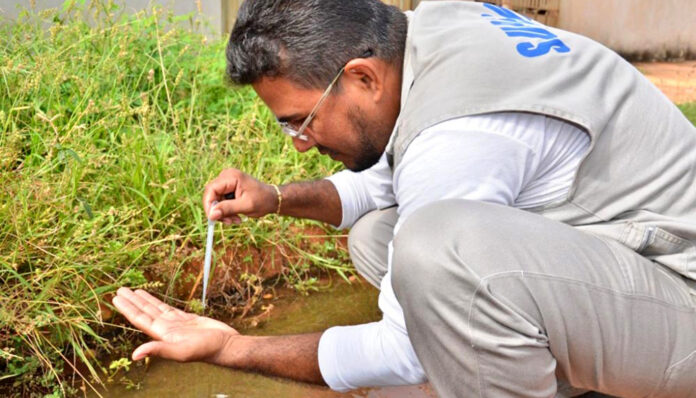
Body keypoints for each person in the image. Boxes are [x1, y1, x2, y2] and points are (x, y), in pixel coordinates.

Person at [112, 1, 696, 397]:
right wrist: (277, 198)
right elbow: (393, 178)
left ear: (363, 77)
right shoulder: (430, 32)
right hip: (629, 257)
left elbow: (406, 348)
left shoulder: (461, 132)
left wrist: (234, 348)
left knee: (434, 255)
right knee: (380, 236)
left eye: (301, 122)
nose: (300, 144)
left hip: (681, 301)